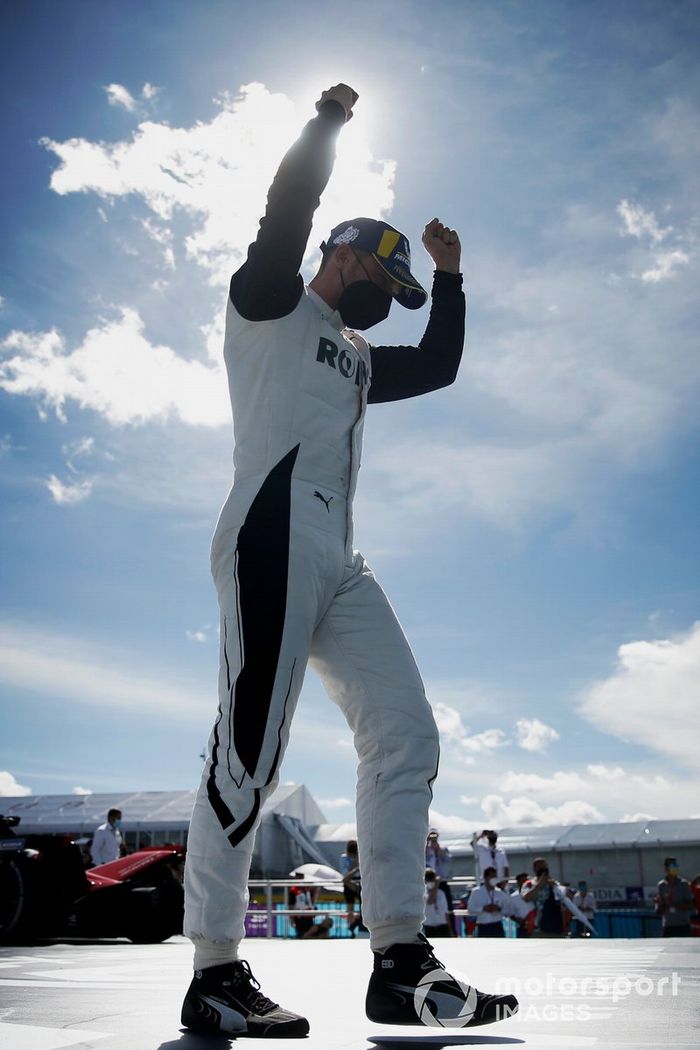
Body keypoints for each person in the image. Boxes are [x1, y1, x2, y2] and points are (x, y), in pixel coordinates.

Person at [180, 83, 518, 1037]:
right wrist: (325, 127)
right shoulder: (271, 305)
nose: (385, 296)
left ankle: (399, 963)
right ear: (343, 253)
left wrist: (448, 279)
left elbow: (442, 364)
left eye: (397, 291)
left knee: (407, 733)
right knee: (251, 746)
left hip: (343, 555)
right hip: (272, 525)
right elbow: (284, 212)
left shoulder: (364, 360)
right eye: (384, 275)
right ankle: (212, 968)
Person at [520, 858, 566, 938]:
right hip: (536, 925)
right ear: (534, 869)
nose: (542, 869)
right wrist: (539, 885)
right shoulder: (529, 884)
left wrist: (554, 887)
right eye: (539, 867)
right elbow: (526, 898)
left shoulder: (554, 883)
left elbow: (564, 900)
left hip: (554, 925)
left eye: (544, 867)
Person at [425, 829, 455, 934]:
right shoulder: (425, 850)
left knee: (447, 908)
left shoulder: (442, 849)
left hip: (441, 882)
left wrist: (438, 849)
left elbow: (448, 860)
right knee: (428, 905)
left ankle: (451, 931)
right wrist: (427, 843)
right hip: (429, 880)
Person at [655, 858, 694, 937]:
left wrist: (672, 904)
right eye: (672, 866)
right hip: (668, 926)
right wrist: (659, 904)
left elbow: (690, 905)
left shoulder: (684, 884)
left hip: (683, 926)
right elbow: (659, 912)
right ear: (666, 868)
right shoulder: (661, 885)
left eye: (675, 865)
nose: (674, 868)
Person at [467, 867, 509, 937]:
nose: (494, 879)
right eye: (491, 877)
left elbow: (508, 911)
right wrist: (483, 908)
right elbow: (470, 909)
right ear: (485, 878)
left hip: (497, 926)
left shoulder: (500, 893)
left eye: (495, 877)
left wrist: (499, 909)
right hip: (483, 926)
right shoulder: (476, 892)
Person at [339, 839, 363, 935]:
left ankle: (357, 924)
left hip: (359, 882)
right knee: (350, 907)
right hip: (349, 882)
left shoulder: (361, 857)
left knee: (363, 906)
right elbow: (345, 874)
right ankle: (351, 928)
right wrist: (355, 862)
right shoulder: (344, 858)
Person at [423, 868, 451, 938]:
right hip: (430, 929)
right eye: (428, 878)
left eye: (432, 878)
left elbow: (446, 913)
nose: (431, 881)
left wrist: (450, 930)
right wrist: (436, 885)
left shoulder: (441, 893)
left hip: (442, 928)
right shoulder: (423, 893)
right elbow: (430, 901)